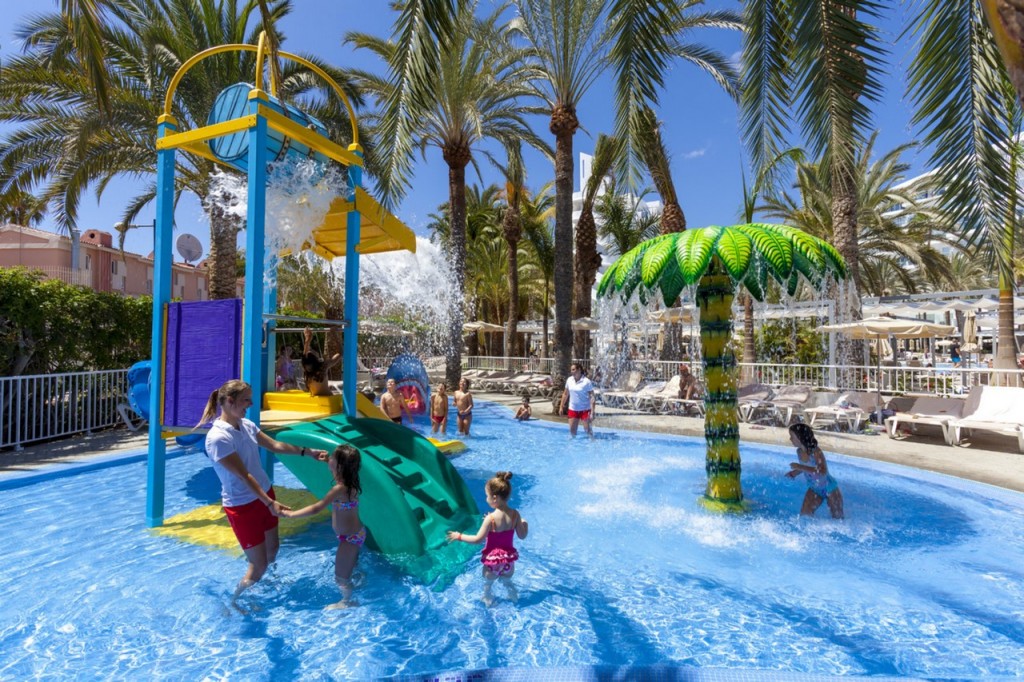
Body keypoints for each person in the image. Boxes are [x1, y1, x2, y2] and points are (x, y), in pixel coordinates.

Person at [199, 379, 328, 600]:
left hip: (265, 494)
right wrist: (269, 503)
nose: (250, 404)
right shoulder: (218, 438)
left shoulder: (246, 425)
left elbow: (275, 445)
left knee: (273, 548)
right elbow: (243, 475)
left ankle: (268, 583)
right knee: (257, 565)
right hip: (242, 505)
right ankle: (235, 600)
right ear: (230, 401)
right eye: (246, 400)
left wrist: (308, 452)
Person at [279, 445, 365, 609]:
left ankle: (347, 602)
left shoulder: (338, 489)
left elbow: (316, 508)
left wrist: (290, 515)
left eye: (332, 457)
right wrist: (328, 460)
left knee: (340, 577)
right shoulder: (350, 482)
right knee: (351, 567)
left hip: (349, 539)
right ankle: (359, 579)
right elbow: (337, 466)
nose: (329, 458)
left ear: (339, 466)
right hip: (355, 533)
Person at [447, 471, 529, 606]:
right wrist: (525, 523)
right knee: (507, 581)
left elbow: (477, 539)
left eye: (487, 496)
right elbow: (522, 535)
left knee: (488, 584)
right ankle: (513, 595)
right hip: (509, 561)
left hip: (492, 563)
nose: (486, 499)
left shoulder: (490, 519)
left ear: (494, 498)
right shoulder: (515, 514)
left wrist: (459, 536)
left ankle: (487, 598)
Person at [785, 423, 844, 519]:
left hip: (830, 488)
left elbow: (822, 471)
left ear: (800, 437)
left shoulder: (816, 451)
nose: (790, 439)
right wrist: (794, 473)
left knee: (838, 519)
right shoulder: (799, 451)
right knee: (804, 515)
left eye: (792, 436)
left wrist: (799, 467)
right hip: (814, 488)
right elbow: (807, 467)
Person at [301, 327, 340, 397]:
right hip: (328, 398)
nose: (311, 350)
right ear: (315, 358)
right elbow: (341, 353)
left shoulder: (307, 371)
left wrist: (307, 340)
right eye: (312, 351)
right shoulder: (323, 366)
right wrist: (335, 335)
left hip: (315, 399)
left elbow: (304, 357)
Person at [559, 363, 595, 438]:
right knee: (572, 433)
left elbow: (592, 397)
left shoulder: (586, 381)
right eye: (571, 370)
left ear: (579, 370)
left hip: (585, 410)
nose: (572, 371)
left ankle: (592, 444)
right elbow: (565, 394)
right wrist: (561, 407)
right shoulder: (569, 380)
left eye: (573, 369)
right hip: (573, 409)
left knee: (588, 430)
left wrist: (592, 411)